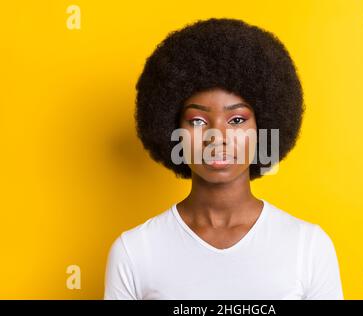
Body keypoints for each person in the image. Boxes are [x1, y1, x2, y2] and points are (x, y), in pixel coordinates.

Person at [104, 18, 344, 300]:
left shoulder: (308, 246)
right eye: (197, 121)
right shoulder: (135, 251)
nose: (217, 136)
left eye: (237, 119)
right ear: (173, 131)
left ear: (263, 129)